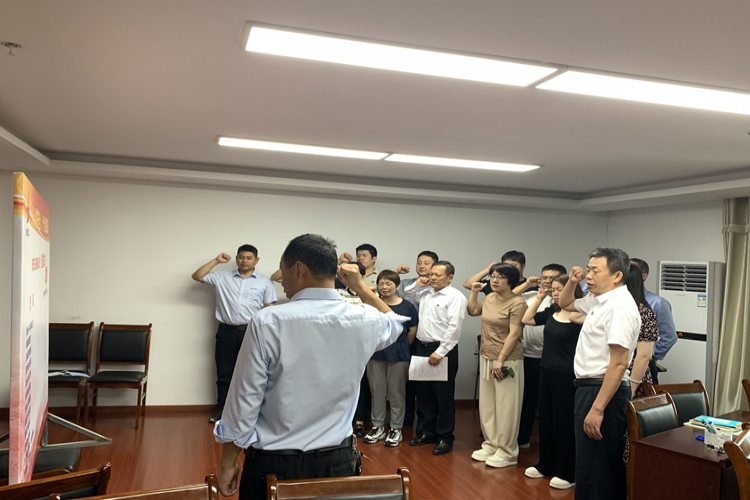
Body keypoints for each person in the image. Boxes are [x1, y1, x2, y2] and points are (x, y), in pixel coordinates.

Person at [213, 234, 408, 500]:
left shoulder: (268, 321)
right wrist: (360, 287)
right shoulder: (363, 319)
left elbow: (244, 401)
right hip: (337, 461)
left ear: (299, 269)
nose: (281, 281)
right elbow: (395, 323)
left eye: (283, 271)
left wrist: (227, 463)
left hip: (274, 463)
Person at [558, 247, 640, 500]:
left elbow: (619, 363)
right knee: (591, 464)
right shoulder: (599, 300)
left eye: (595, 271)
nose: (589, 276)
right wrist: (572, 282)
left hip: (601, 390)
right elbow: (565, 303)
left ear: (617, 275)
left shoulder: (619, 307)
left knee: (596, 468)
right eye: (588, 269)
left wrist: (597, 408)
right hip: (591, 388)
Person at [191, 245, 277, 423]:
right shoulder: (222, 277)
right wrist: (216, 261)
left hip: (252, 333)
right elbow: (197, 276)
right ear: (237, 258)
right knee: (224, 373)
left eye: (249, 258)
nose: (244, 261)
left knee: (253, 374)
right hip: (226, 332)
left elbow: (270, 309)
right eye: (241, 257)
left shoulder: (264, 281)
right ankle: (222, 410)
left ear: (256, 260)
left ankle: (249, 413)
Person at [521, 274, 585, 490]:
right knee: (547, 420)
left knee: (564, 422)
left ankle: (567, 472)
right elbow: (526, 319)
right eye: (554, 289)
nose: (556, 293)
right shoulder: (551, 312)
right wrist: (540, 297)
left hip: (568, 375)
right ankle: (546, 464)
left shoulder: (580, 315)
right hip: (546, 370)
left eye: (560, 289)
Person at [467, 263, 528, 468]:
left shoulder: (517, 303)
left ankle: (508, 451)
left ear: (511, 281)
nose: (494, 280)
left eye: (500, 277)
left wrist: (501, 360)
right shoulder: (490, 298)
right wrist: (474, 292)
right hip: (487, 356)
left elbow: (515, 333)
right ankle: (491, 444)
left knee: (506, 407)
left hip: (507, 359)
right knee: (488, 405)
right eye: (493, 276)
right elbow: (472, 310)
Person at [408, 260, 467, 455]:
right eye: (431, 274)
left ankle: (445, 437)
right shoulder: (425, 293)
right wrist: (418, 284)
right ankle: (428, 432)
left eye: (437, 275)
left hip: (442, 350)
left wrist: (441, 352)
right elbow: (406, 296)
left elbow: (454, 327)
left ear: (450, 277)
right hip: (421, 348)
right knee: (424, 395)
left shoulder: (455, 297)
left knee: (443, 397)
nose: (432, 277)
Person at [364, 270, 418, 447]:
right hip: (375, 355)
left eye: (388, 284)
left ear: (397, 286)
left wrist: (401, 347)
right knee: (377, 392)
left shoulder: (407, 307)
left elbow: (412, 331)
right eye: (381, 284)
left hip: (398, 355)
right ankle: (378, 426)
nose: (384, 287)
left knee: (396, 393)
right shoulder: (371, 304)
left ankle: (396, 428)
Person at [517, 263, 567, 449]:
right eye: (544, 277)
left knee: (550, 404)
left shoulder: (565, 303)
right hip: (528, 355)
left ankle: (554, 445)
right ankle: (523, 438)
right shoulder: (531, 296)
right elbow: (508, 299)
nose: (547, 282)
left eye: (552, 279)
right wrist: (529, 286)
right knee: (527, 400)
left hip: (554, 360)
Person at [395, 250, 439, 431]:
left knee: (424, 383)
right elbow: (397, 302)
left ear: (435, 266)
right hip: (407, 337)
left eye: (426, 263)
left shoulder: (437, 287)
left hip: (426, 339)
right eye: (419, 262)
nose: (421, 266)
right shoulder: (406, 283)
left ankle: (424, 422)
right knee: (406, 381)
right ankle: (405, 418)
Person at [630, 258, 677, 384]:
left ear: (643, 276)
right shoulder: (616, 301)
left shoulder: (657, 303)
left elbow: (670, 336)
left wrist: (652, 355)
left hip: (643, 363)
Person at [462, 250, 531, 295]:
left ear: (523, 266)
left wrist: (527, 284)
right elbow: (467, 284)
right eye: (506, 265)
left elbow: (509, 297)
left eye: (513, 265)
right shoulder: (495, 283)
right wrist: (488, 270)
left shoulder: (531, 285)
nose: (509, 268)